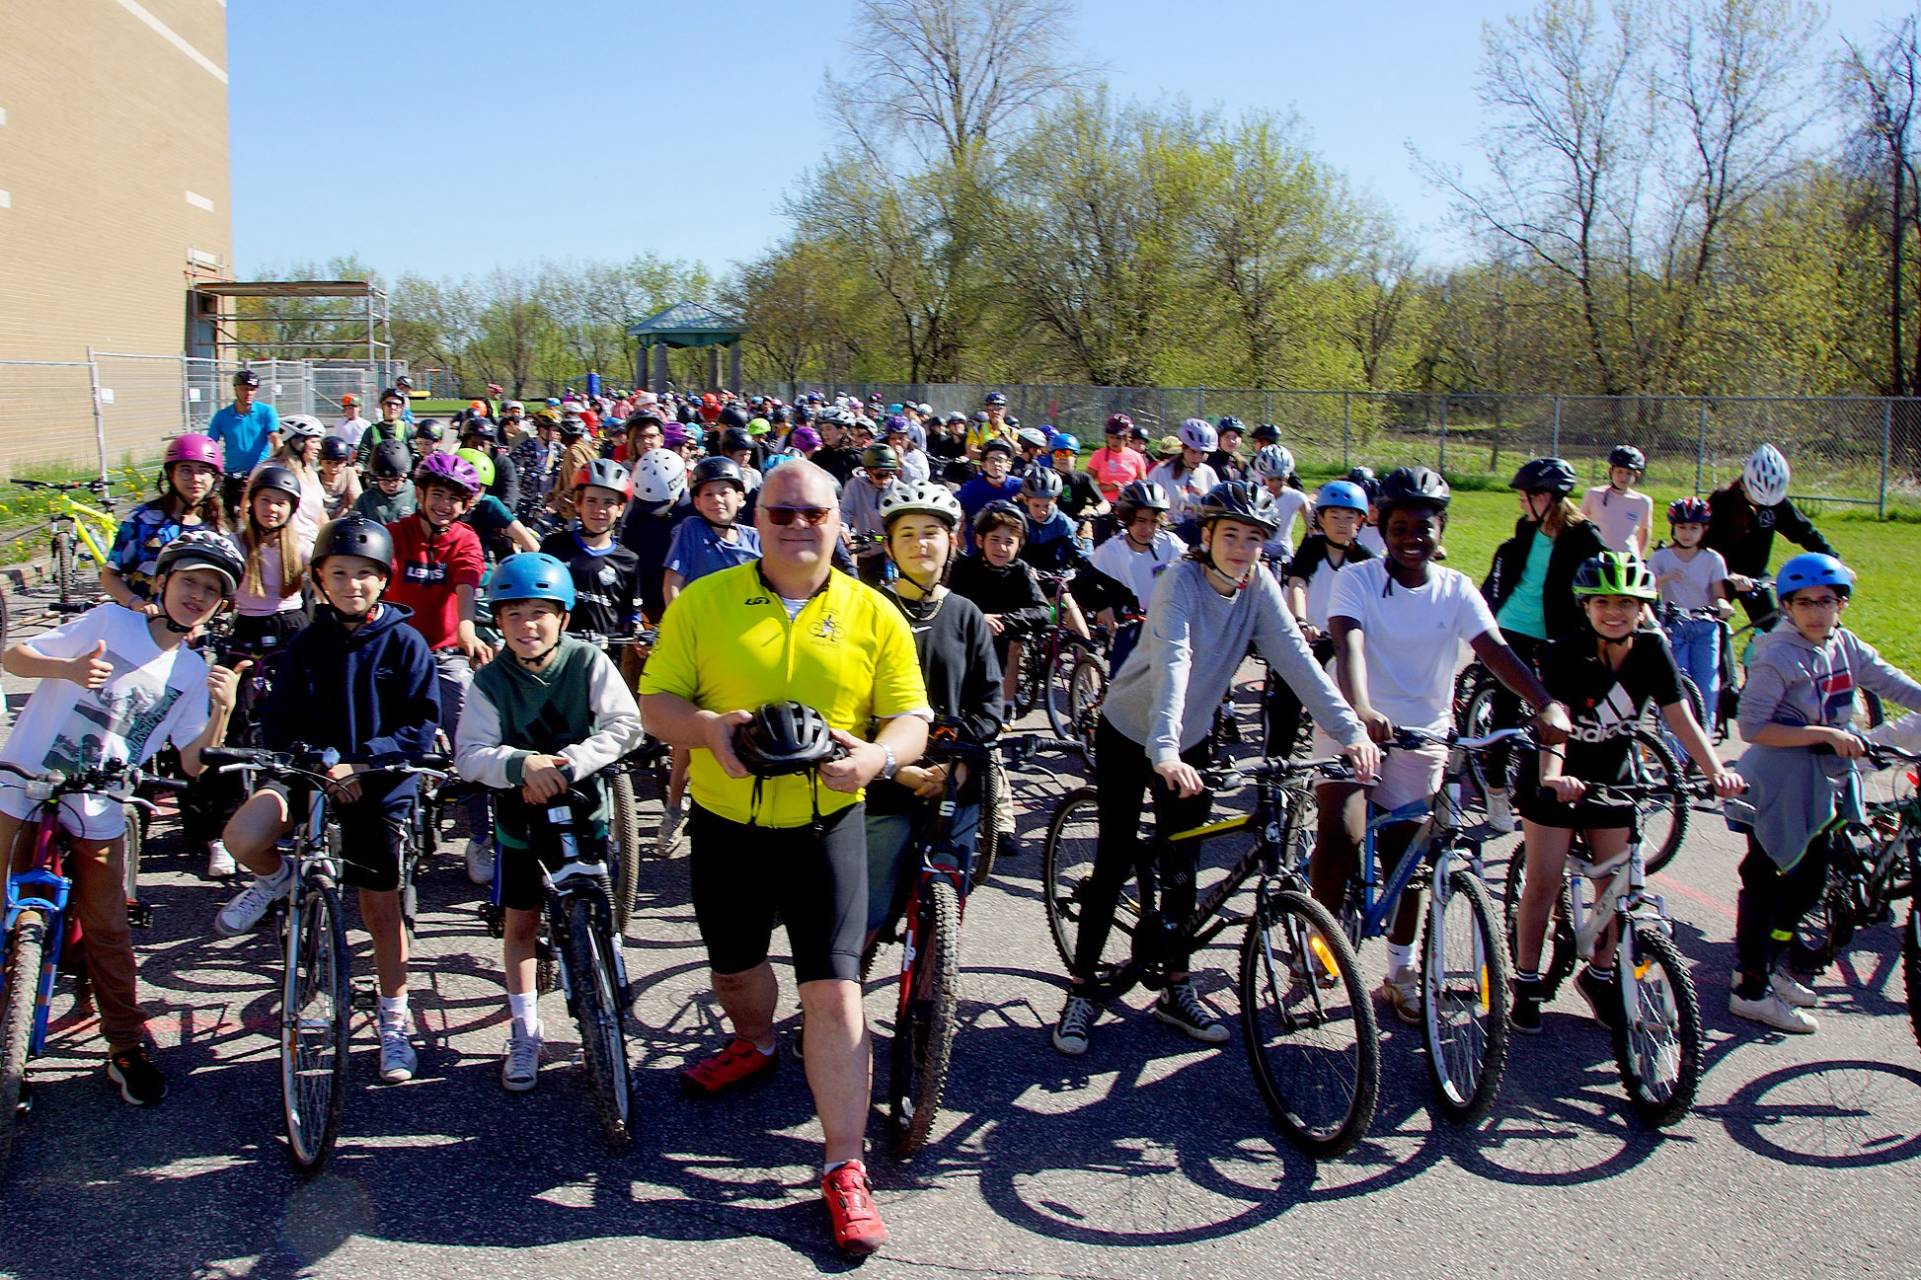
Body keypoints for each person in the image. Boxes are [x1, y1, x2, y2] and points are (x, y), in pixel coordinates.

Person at [638, 460, 930, 1258]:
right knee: (733, 972)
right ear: (756, 521)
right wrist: (704, 730)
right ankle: (757, 1041)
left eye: (815, 512)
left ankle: (843, 1164)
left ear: (841, 520)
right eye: (782, 512)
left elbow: (909, 715)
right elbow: (654, 702)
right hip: (727, 821)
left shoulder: (873, 613)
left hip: (827, 823)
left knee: (836, 993)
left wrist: (873, 759)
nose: (799, 525)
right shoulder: (705, 602)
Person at [1053, 481, 1382, 1055]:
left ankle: (1176, 988)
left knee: (1184, 865)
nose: (1241, 548)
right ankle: (1082, 990)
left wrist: (1351, 730)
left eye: (1254, 538)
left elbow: (1298, 661)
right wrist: (1164, 750)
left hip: (1192, 740)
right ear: (1206, 537)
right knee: (1113, 860)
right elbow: (1172, 663)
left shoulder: (1260, 588)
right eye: (1230, 534)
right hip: (1136, 734)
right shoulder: (1177, 582)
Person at [1309, 467, 1571, 1022]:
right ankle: (1320, 940)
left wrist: (1543, 702)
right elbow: (1348, 642)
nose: (1411, 538)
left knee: (1412, 857)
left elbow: (1495, 651)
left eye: (1423, 528)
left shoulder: (1455, 590)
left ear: (1440, 528)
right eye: (1399, 527)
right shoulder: (1355, 579)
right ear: (1383, 530)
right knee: (1341, 833)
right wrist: (1360, 709)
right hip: (1353, 724)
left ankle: (1400, 972)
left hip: (1422, 734)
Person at [0, 531, 244, 1105]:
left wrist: (223, 710)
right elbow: (14, 656)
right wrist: (65, 668)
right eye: (189, 582)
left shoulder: (190, 671)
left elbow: (192, 761)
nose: (197, 595)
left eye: (211, 591)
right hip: (24, 780)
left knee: (108, 927)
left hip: (100, 800)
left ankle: (125, 1044)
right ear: (162, 582)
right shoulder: (110, 622)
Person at [212, 516, 441, 1082]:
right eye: (339, 572)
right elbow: (278, 718)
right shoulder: (306, 643)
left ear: (384, 580)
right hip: (312, 772)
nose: (352, 584)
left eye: (365, 574)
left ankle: (394, 1019)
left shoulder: (405, 642)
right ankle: (279, 879)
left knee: (379, 911)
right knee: (242, 836)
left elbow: (420, 726)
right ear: (317, 577)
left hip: (378, 781)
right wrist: (314, 758)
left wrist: (362, 760)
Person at [1511, 551, 1744, 1033]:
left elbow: (1679, 717)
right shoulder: (1564, 652)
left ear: (1643, 609)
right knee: (1543, 881)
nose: (1614, 612)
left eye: (1626, 603)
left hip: (1613, 777)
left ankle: (1599, 976)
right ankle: (1527, 979)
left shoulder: (1653, 650)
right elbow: (1557, 727)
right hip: (1557, 777)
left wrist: (1716, 771)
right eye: (1603, 603)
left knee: (1615, 887)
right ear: (1586, 606)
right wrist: (1553, 778)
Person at [453, 553, 644, 1091]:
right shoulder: (491, 680)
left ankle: (604, 987)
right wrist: (521, 765)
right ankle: (526, 1028)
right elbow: (470, 754)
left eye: (540, 612)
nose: (527, 625)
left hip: (586, 808)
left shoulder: (586, 661)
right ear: (498, 621)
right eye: (513, 614)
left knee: (598, 905)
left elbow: (625, 723)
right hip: (519, 816)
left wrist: (571, 761)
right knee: (521, 923)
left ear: (562, 617)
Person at [1718, 552, 1921, 1033]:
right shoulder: (1775, 653)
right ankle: (1749, 988)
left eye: (1825, 601)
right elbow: (1752, 727)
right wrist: (1825, 735)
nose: (1814, 611)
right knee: (1767, 885)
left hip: (1823, 783)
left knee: (1808, 884)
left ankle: (1771, 964)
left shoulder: (1844, 645)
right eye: (1802, 602)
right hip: (1777, 785)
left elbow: (1893, 683)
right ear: (1787, 606)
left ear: (1841, 604)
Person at [863, 482, 1002, 947]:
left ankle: (928, 1001)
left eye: (931, 532)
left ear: (953, 541)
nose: (920, 543)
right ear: (889, 545)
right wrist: (895, 767)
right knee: (867, 911)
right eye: (907, 534)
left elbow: (989, 701)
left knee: (943, 915)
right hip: (884, 781)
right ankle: (837, 1002)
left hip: (957, 780)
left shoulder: (965, 613)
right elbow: (852, 703)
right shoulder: (871, 609)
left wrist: (959, 767)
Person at [1478, 457, 1607, 832]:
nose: (1521, 504)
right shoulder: (1525, 528)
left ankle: (1544, 785)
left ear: (1548, 497)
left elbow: (1600, 581)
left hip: (1557, 632)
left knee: (1554, 710)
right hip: (1514, 625)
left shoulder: (1585, 536)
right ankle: (1496, 787)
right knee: (1505, 709)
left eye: (1526, 497)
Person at [386, 452, 495, 882]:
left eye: (453, 498)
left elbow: (466, 583)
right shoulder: (397, 534)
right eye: (437, 494)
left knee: (472, 737)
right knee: (387, 741)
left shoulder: (465, 539)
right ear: (420, 493)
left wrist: (467, 629)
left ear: (465, 504)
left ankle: (482, 837)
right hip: (396, 654)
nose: (443, 504)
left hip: (446, 651)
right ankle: (389, 825)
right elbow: (378, 579)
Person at [1270, 480, 1376, 757]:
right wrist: (1302, 621)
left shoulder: (1365, 560)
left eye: (1349, 517)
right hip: (1306, 637)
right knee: (1284, 703)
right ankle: (1273, 773)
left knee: (1351, 700)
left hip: (1341, 643)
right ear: (1320, 519)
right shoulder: (1312, 548)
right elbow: (1298, 584)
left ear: (1361, 521)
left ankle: (1343, 760)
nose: (1342, 524)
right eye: (1334, 516)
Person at [1705, 442, 1838, 628]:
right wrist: (1728, 575)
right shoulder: (1722, 501)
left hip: (1755, 578)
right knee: (1711, 630)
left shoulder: (1777, 505)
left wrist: (1835, 562)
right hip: (1719, 577)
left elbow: (1805, 532)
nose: (1762, 505)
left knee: (1773, 630)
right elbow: (1703, 545)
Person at [102, 433, 224, 608]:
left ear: (214, 478)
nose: (195, 479)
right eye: (186, 470)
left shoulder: (215, 529)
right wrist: (135, 603)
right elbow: (110, 575)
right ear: (171, 474)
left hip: (191, 627)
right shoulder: (142, 520)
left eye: (203, 470)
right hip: (141, 623)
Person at [949, 500, 1052, 708]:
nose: (1001, 548)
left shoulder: (1020, 571)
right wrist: (978, 620)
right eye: (994, 540)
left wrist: (1005, 621)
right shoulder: (964, 569)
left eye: (1009, 542)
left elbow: (1042, 610)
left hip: (1005, 636)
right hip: (968, 639)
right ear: (980, 540)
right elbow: (949, 606)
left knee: (1014, 645)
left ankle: (1006, 703)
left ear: (1018, 546)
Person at [1085, 479, 1184, 675]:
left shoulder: (1170, 544)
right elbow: (1082, 584)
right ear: (1128, 518)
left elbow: (1191, 571)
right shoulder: (1111, 550)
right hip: (1128, 625)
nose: (1147, 529)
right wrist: (1103, 607)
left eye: (1154, 522)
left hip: (1163, 622)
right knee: (1123, 680)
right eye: (1141, 521)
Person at [539, 458, 642, 641]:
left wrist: (640, 635)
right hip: (557, 650)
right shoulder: (554, 546)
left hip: (604, 657)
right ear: (578, 503)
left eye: (608, 503)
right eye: (591, 501)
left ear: (620, 509)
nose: (599, 510)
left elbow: (631, 617)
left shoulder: (628, 561)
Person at [1649, 496, 1731, 725]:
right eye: (1682, 527)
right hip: (1674, 625)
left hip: (1704, 625)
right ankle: (1673, 749)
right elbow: (1646, 586)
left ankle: (1703, 738)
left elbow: (1718, 594)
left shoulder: (1713, 559)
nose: (1687, 533)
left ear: (1704, 529)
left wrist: (1722, 605)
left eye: (1694, 528)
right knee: (1676, 687)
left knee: (1706, 688)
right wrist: (1666, 577)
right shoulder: (1661, 557)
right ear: (1673, 528)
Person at [1014, 467, 1093, 641]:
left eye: (1047, 506)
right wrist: (1025, 568)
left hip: (1056, 578)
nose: (1042, 511)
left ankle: (1087, 661)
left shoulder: (1062, 522)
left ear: (1055, 500)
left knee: (1075, 618)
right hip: (1027, 580)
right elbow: (1013, 553)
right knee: (1015, 645)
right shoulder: (1020, 521)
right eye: (1036, 505)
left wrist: (1090, 567)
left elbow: (1077, 551)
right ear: (1026, 501)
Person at [206, 370, 281, 517]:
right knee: (228, 516)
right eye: (244, 389)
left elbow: (274, 436)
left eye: (252, 389)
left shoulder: (266, 412)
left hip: (257, 475)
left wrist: (281, 454)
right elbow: (211, 443)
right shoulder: (222, 416)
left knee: (256, 515)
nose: (249, 393)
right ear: (236, 389)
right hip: (232, 475)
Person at [453, 448, 540, 561]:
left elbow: (528, 542)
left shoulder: (490, 504)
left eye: (478, 488)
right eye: (466, 487)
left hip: (476, 567)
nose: (472, 494)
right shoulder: (441, 505)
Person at [253, 415, 329, 541]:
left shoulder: (311, 474)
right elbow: (247, 507)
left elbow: (320, 515)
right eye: (314, 442)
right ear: (298, 442)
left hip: (311, 543)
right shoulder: (269, 470)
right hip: (283, 543)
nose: (319, 447)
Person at [840, 445, 903, 586]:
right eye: (880, 475)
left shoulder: (899, 489)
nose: (885, 480)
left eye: (889, 473)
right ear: (867, 471)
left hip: (892, 550)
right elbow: (845, 511)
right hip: (867, 550)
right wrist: (843, 528)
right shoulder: (854, 486)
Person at [1146, 419, 1221, 534]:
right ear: (1183, 447)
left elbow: (1217, 505)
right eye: (1193, 451)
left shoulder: (1208, 473)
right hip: (1168, 535)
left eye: (1203, 453)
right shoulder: (1161, 472)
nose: (1198, 457)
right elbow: (1147, 506)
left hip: (1199, 536)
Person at [1579, 444, 1653, 556]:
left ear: (1636, 475)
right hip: (1598, 557)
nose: (1623, 477)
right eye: (1619, 472)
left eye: (1629, 473)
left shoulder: (1643, 502)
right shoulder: (1593, 495)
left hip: (1626, 559)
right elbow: (1578, 523)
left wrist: (1639, 558)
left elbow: (1644, 530)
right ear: (1611, 471)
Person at [955, 439, 1023, 550]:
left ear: (1008, 465)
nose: (996, 463)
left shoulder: (1019, 487)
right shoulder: (970, 489)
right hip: (977, 550)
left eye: (1001, 460)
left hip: (1008, 548)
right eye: (991, 460)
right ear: (984, 465)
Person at [1249, 445, 1311, 563]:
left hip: (1283, 550)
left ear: (1287, 476)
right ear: (1263, 477)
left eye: (1280, 479)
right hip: (1260, 548)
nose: (1276, 484)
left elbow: (1310, 529)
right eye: (1271, 480)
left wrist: (1304, 551)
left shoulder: (1296, 497)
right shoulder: (1256, 495)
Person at [544, 414, 601, 523]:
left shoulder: (574, 451)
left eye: (561, 433)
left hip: (575, 511)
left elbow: (578, 481)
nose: (559, 436)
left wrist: (557, 501)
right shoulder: (587, 448)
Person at [459, 417, 520, 515]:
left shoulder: (503, 464)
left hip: (492, 517)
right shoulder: (457, 462)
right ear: (465, 443)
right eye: (473, 443)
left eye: (482, 444)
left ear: (490, 445)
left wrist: (502, 516)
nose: (478, 449)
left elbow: (510, 495)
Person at [354, 440, 417, 524]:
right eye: (384, 481)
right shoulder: (366, 500)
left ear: (404, 476)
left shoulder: (415, 496)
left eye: (395, 480)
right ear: (376, 478)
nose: (391, 485)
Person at [354, 388, 411, 469]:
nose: (393, 407)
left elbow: (414, 454)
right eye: (389, 404)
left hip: (400, 477)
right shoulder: (371, 431)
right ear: (382, 406)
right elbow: (363, 454)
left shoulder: (408, 429)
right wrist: (359, 466)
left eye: (397, 405)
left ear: (401, 408)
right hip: (376, 477)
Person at [316, 436, 362, 520]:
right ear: (320, 462)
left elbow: (357, 501)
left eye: (337, 463)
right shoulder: (314, 477)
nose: (333, 468)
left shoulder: (349, 473)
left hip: (342, 522)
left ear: (345, 463)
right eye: (328, 463)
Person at [1206, 416, 1247, 482]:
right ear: (1219, 439)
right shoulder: (1209, 460)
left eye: (1235, 437)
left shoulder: (1241, 462)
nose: (1232, 441)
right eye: (1227, 437)